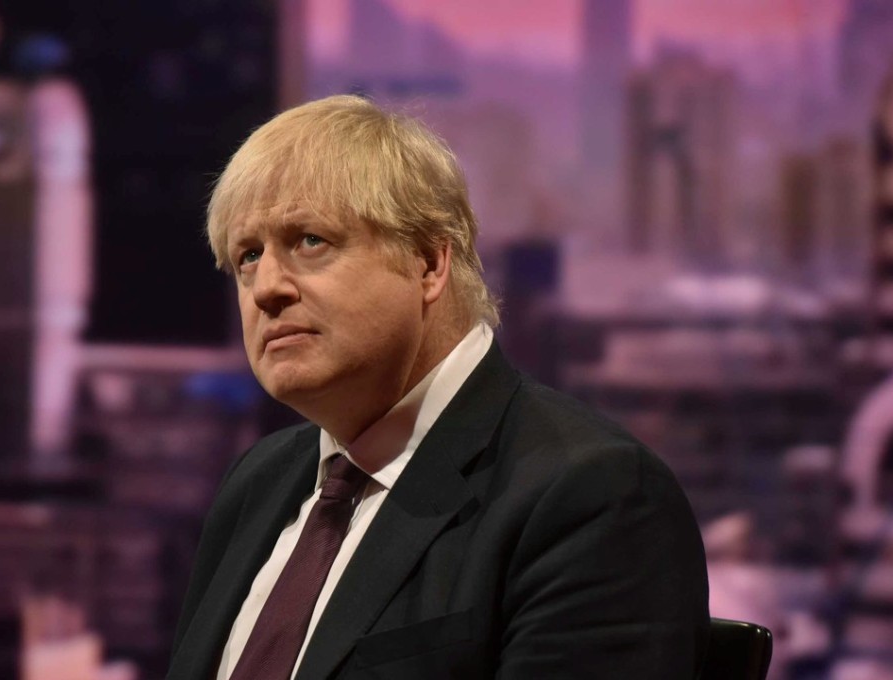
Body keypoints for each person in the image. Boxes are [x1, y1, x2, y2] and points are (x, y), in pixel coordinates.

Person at [168, 94, 709, 680]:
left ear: (428, 262)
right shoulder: (258, 482)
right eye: (248, 256)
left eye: (309, 241)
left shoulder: (593, 495)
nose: (267, 287)